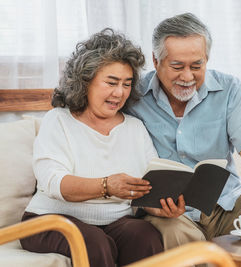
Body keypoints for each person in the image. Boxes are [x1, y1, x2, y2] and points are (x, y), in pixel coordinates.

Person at [126, 13, 241, 249]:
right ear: (156, 61)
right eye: (177, 66)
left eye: (197, 66)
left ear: (207, 59)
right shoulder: (134, 95)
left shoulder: (229, 89)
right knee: (174, 236)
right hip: (169, 212)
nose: (187, 77)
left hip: (227, 202)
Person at [20, 28, 163, 267]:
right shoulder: (59, 120)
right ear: (85, 80)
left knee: (145, 235)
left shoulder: (135, 128)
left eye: (127, 84)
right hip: (50, 220)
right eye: (111, 82)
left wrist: (160, 208)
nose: (120, 93)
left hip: (116, 221)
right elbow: (54, 183)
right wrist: (107, 185)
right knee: (92, 242)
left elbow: (149, 185)